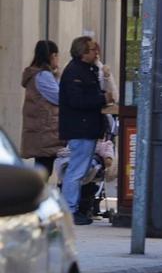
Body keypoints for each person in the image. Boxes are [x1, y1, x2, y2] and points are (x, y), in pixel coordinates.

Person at [59, 36, 112, 226]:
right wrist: (102, 99)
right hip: (80, 128)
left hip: (87, 128)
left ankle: (72, 209)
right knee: (76, 171)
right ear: (82, 53)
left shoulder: (88, 70)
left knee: (79, 170)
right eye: (92, 50)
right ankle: (69, 210)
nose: (96, 53)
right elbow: (78, 101)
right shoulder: (75, 72)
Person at [20, 40, 63, 179]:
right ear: (51, 56)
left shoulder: (37, 75)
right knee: (44, 171)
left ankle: (34, 198)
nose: (58, 59)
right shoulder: (43, 76)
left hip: (42, 131)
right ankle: (33, 199)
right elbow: (59, 98)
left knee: (44, 169)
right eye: (57, 55)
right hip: (46, 132)